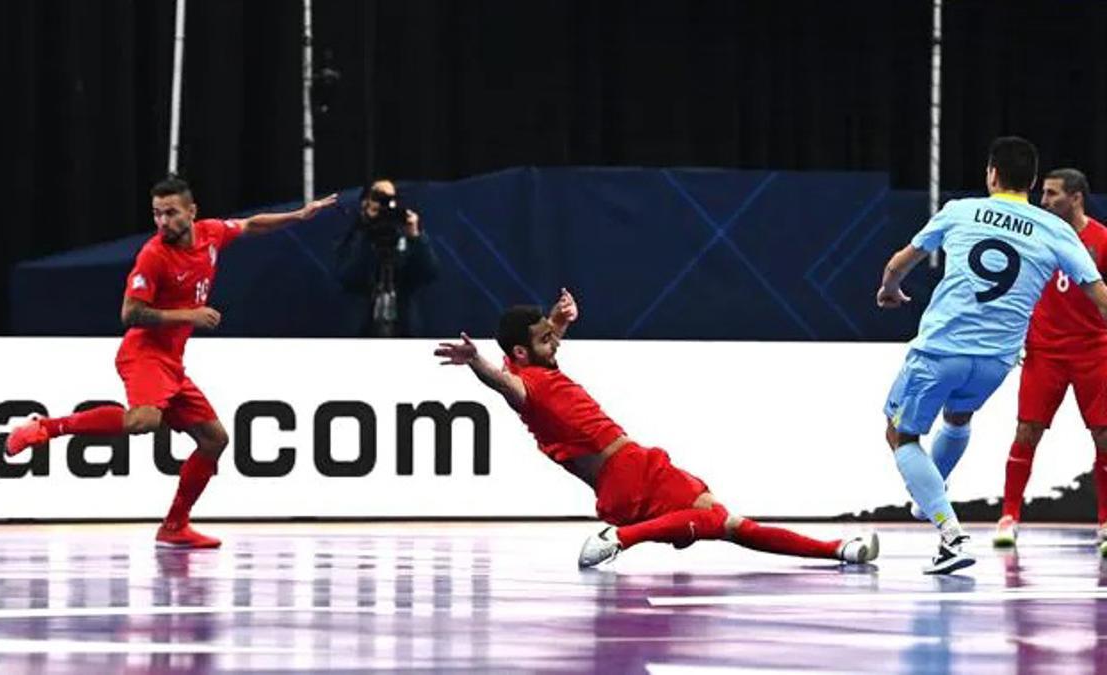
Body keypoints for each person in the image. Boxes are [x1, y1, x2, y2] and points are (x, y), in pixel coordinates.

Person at [5, 175, 339, 548]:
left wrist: (299, 215)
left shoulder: (211, 233)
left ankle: (175, 525)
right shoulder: (154, 255)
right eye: (157, 214)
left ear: (191, 213)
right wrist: (188, 315)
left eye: (171, 213)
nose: (163, 222)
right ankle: (47, 428)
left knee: (214, 440)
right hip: (144, 353)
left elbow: (250, 224)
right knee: (144, 421)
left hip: (172, 362)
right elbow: (130, 314)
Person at [435, 289, 878, 569]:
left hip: (633, 465)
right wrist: (476, 362)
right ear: (519, 351)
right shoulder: (523, 386)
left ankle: (838, 548)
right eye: (546, 339)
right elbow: (503, 383)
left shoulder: (538, 365)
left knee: (727, 522)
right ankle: (620, 539)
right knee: (720, 520)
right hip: (628, 471)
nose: (555, 342)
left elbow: (540, 348)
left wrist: (560, 320)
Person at [876, 138, 1107, 574]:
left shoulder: (960, 211)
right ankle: (931, 500)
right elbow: (1100, 296)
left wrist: (891, 291)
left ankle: (951, 534)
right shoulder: (1055, 230)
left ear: (992, 175)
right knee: (958, 419)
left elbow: (898, 264)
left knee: (900, 435)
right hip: (997, 362)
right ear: (1033, 181)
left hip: (941, 350)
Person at [993, 168, 1107, 551]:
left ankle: (1106, 522)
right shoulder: (1034, 237)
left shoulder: (1102, 240)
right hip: (1045, 353)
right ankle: (1008, 517)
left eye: (1052, 194)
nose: (1043, 201)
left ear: (1075, 198)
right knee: (1027, 431)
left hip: (1094, 351)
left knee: (1104, 436)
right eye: (1043, 193)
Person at [336, 179, 440, 337]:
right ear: (365, 201)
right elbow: (347, 276)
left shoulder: (404, 231)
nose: (384, 203)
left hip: (404, 327)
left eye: (390, 198)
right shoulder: (354, 235)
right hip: (362, 328)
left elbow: (429, 273)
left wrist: (415, 237)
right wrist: (366, 229)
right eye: (378, 197)